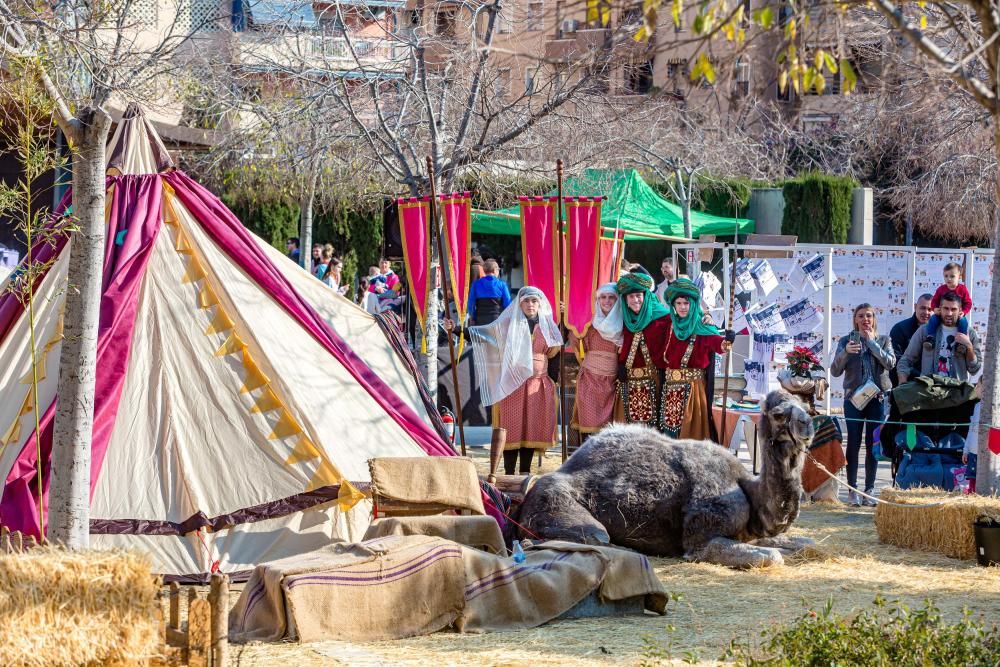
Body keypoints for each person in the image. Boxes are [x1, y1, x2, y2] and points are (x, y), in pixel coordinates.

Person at [459, 287, 563, 474]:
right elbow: (484, 335)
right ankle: (508, 473)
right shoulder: (508, 324)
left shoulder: (548, 326)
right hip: (511, 385)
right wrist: (457, 330)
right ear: (519, 303)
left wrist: (553, 382)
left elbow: (555, 356)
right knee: (510, 426)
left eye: (534, 301)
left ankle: (524, 473)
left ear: (540, 303)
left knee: (530, 428)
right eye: (526, 301)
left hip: (537, 384)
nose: (530, 305)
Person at [830, 303, 895, 507]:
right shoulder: (845, 341)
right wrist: (846, 352)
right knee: (854, 443)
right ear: (855, 319)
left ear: (874, 318)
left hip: (877, 399)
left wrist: (872, 344)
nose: (865, 319)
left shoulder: (884, 340)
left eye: (869, 315)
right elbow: (834, 371)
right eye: (861, 316)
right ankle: (852, 491)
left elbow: (891, 363)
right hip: (853, 400)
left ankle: (869, 489)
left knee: (872, 444)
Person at [659, 279, 734, 440]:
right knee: (669, 434)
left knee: (689, 434)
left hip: (693, 390)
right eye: (678, 303)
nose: (682, 307)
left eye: (686, 303)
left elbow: (719, 345)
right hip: (671, 389)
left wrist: (727, 340)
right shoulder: (671, 325)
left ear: (693, 304)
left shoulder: (703, 326)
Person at [614, 271, 672, 429]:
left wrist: (706, 318)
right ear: (625, 300)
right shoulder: (625, 318)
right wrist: (621, 365)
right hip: (629, 381)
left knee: (653, 429)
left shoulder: (665, 318)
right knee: (630, 428)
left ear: (646, 295)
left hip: (657, 381)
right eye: (630, 297)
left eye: (639, 295)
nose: (635, 300)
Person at [569, 284, 622, 444]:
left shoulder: (625, 324)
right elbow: (578, 344)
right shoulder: (589, 324)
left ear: (617, 300)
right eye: (603, 297)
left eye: (611, 297)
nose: (607, 301)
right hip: (590, 379)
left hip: (614, 382)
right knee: (589, 425)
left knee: (610, 429)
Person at [898, 291, 982, 383]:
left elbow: (974, 369)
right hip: (929, 391)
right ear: (939, 309)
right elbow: (906, 360)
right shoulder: (925, 330)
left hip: (956, 393)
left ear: (960, 311)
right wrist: (902, 384)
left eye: (953, 309)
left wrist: (969, 347)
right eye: (946, 308)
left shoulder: (969, 333)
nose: (949, 313)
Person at [923, 262, 973, 349]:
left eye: (952, 276)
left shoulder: (963, 289)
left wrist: (963, 312)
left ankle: (961, 343)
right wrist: (935, 309)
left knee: (963, 322)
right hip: (942, 314)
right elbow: (934, 301)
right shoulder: (941, 289)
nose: (948, 279)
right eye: (946, 276)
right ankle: (930, 338)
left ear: (959, 277)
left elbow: (968, 303)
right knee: (933, 319)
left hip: (957, 315)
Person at [888, 293, 933, 386]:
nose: (926, 312)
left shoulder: (939, 331)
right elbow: (896, 360)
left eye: (930, 309)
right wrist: (920, 376)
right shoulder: (900, 329)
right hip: (905, 386)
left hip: (931, 385)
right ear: (915, 307)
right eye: (922, 308)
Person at [468, 259, 512, 326]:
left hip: (480, 319)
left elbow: (471, 303)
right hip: (497, 319)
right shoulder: (502, 285)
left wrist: (473, 317)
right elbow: (508, 304)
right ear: (495, 270)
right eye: (498, 270)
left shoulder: (476, 284)